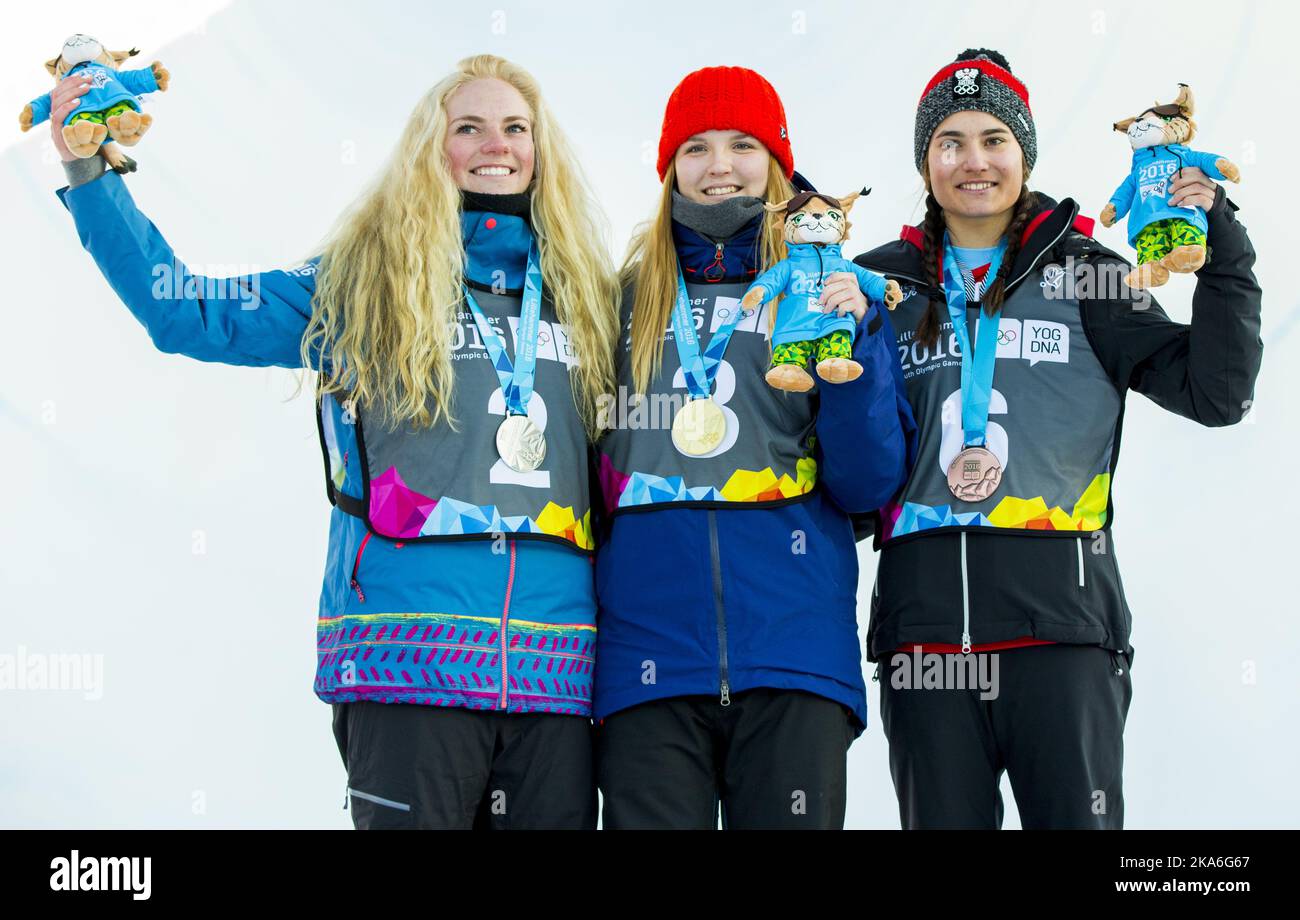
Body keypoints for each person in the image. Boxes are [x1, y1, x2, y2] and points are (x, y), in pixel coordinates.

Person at [50, 54, 620, 829]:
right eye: (470, 127)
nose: (498, 144)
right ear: (433, 148)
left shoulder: (589, 298)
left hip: (559, 675)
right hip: (405, 663)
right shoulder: (360, 285)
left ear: (539, 148)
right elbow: (184, 312)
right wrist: (91, 178)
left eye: (516, 127)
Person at [853, 48, 1263, 829]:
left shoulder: (1087, 274)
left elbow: (1217, 393)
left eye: (993, 140)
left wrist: (1222, 250)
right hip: (925, 641)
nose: (974, 161)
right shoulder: (884, 287)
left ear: (1024, 153)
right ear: (925, 160)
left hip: (1063, 635)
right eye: (950, 142)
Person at [593, 66, 911, 829]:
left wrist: (857, 350)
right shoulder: (617, 301)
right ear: (670, 169)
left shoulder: (831, 294)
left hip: (794, 654)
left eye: (743, 145)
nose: (720, 166)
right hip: (646, 665)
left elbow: (868, 484)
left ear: (777, 166)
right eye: (695, 149)